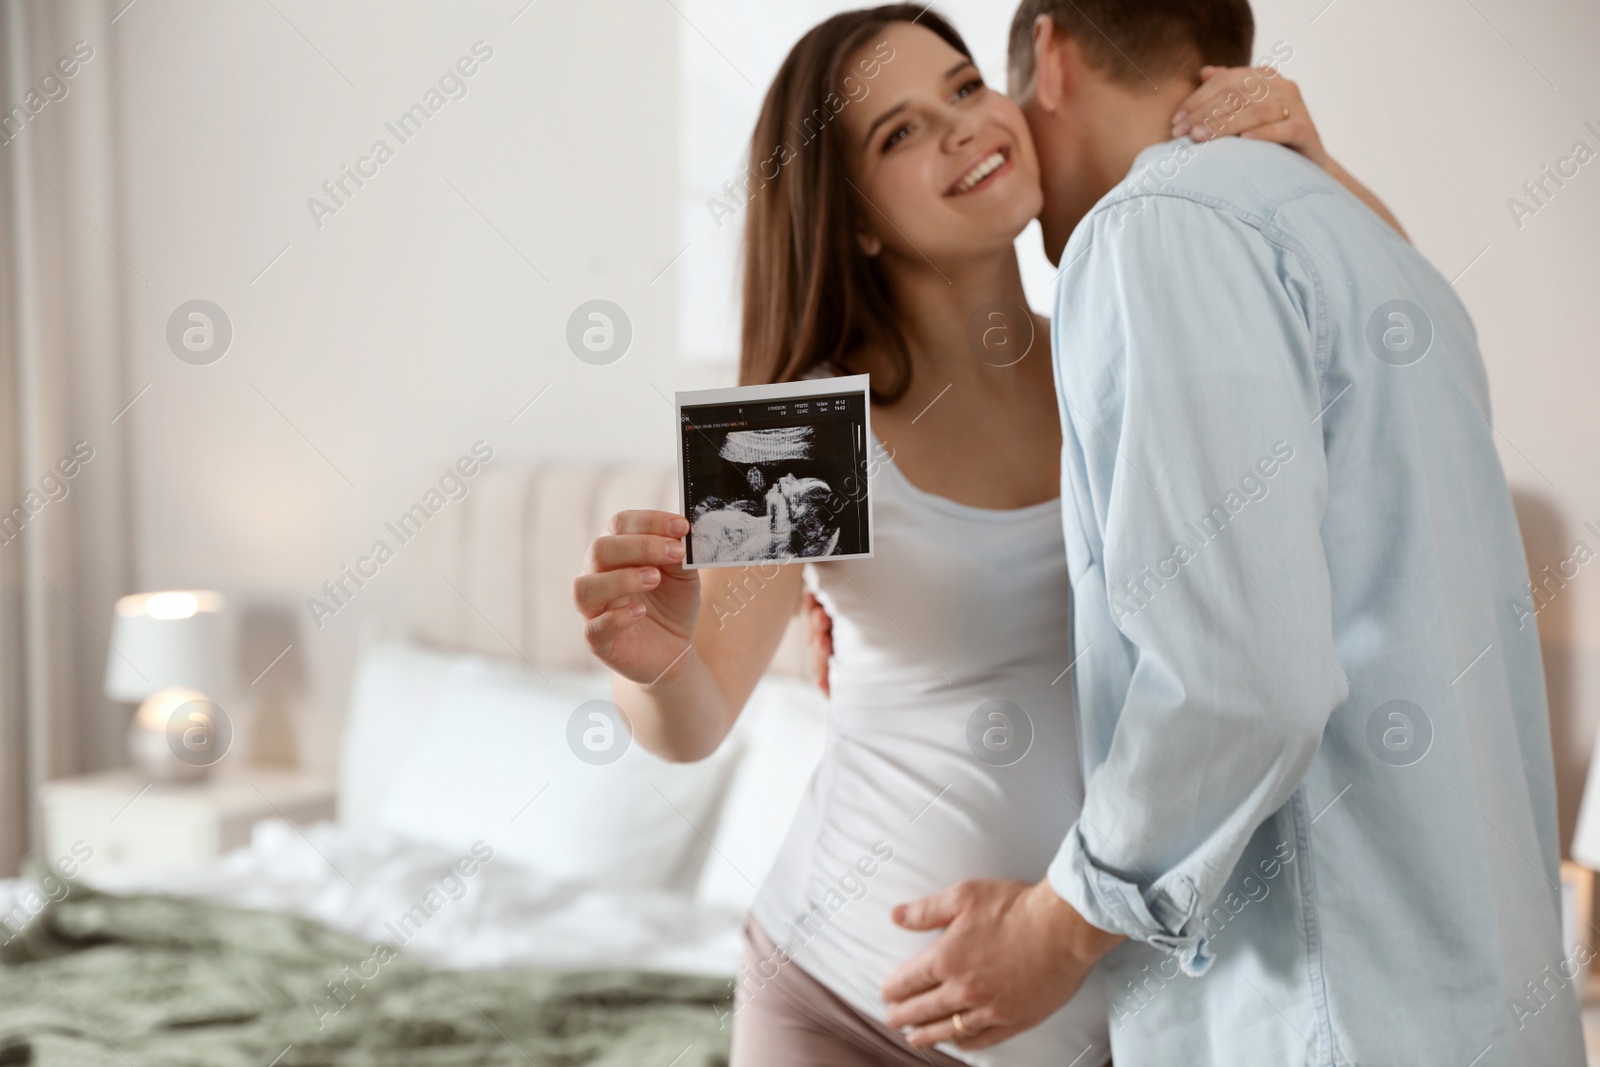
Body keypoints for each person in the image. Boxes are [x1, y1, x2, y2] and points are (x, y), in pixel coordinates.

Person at [574, 6, 1405, 1065]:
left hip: (1091, 1026)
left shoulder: (1134, 355)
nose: (961, 127)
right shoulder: (798, 429)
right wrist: (651, 661)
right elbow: (689, 721)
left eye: (964, 88)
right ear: (856, 218)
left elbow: (1397, 350)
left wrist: (1315, 166)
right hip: (837, 1000)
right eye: (900, 132)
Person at [866, 2, 1584, 1065]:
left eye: (978, 89)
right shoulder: (1387, 258)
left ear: (1051, 53)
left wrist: (1051, 933)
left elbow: (1237, 680)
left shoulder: (1152, 231)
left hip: (1324, 1020)